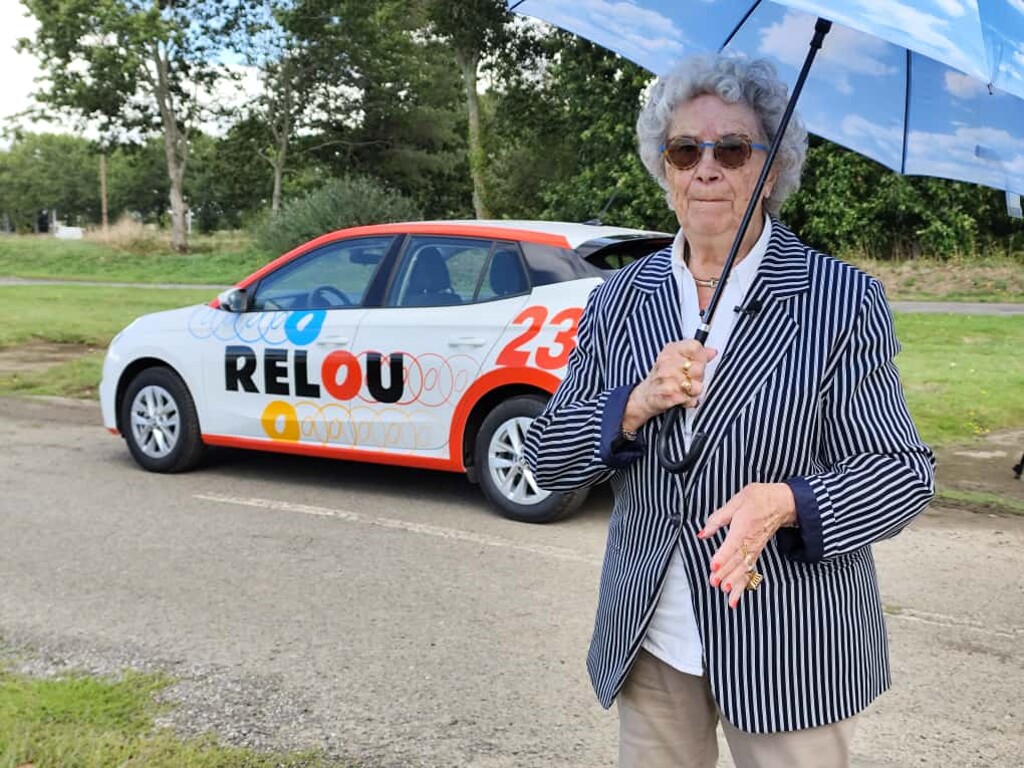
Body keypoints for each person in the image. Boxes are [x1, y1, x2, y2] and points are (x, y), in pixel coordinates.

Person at [523, 53, 935, 768]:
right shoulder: (619, 299)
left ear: (770, 171)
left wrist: (787, 502)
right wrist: (634, 405)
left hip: (793, 649)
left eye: (733, 148)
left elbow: (903, 474)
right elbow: (547, 459)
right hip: (651, 642)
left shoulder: (840, 302)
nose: (707, 168)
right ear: (667, 169)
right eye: (686, 150)